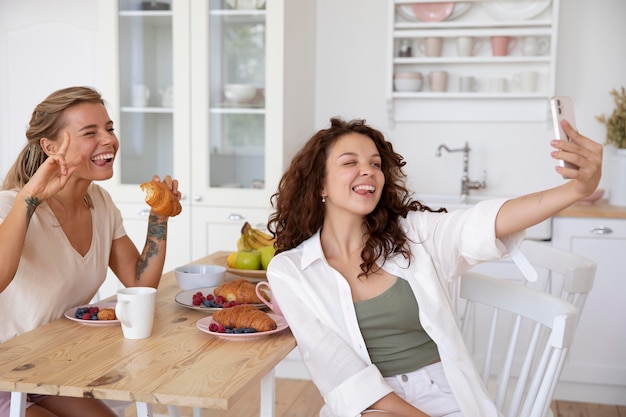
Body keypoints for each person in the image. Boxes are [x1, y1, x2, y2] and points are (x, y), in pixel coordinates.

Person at [266, 117, 602, 417]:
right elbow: (340, 372)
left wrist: (575, 189)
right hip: (372, 407)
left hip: (446, 395)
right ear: (320, 185)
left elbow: (486, 222)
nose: (368, 170)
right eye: (350, 162)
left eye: (375, 163)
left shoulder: (415, 235)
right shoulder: (291, 271)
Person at [0, 86, 181, 417]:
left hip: (53, 368)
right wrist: (30, 198)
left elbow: (140, 283)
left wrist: (160, 217)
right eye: (90, 132)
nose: (109, 140)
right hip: (6, 372)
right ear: (50, 147)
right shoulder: (10, 207)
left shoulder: (100, 204)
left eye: (109, 128)